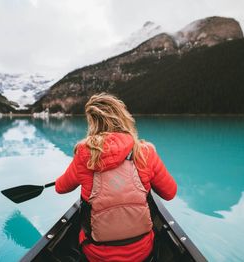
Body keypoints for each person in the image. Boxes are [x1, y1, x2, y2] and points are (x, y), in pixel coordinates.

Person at [55, 93, 177, 262]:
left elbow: (60, 188)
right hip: (142, 251)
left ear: (92, 122)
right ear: (123, 117)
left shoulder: (84, 154)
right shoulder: (145, 152)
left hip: (96, 255)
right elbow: (170, 193)